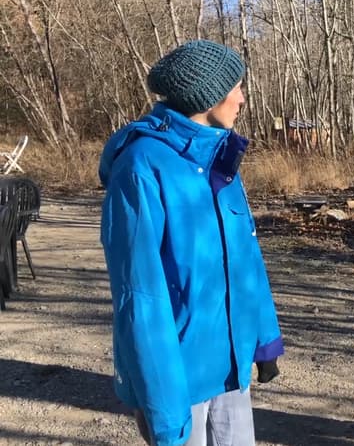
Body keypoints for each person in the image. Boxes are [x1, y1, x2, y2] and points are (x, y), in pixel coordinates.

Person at [98, 39, 284, 446]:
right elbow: (140, 297)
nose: (242, 98)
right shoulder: (141, 166)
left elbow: (246, 258)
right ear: (208, 96)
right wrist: (163, 410)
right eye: (236, 87)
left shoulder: (220, 158)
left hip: (230, 365)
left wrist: (264, 338)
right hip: (178, 377)